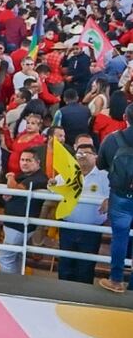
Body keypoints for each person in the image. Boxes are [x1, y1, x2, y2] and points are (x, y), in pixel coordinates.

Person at [56, 137, 108, 284]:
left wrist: (109, 200)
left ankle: (83, 300)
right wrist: (51, 184)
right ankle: (63, 296)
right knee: (65, 264)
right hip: (67, 227)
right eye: (79, 154)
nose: (82, 156)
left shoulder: (104, 176)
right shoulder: (67, 172)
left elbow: (115, 193)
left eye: (86, 153)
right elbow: (53, 187)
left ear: (95, 156)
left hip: (91, 230)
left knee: (86, 267)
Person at [96, 105, 133, 293]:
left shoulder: (112, 139)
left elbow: (101, 164)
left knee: (120, 237)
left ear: (125, 117)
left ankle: (116, 280)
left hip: (120, 196)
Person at [0, 147, 49, 274]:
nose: (24, 163)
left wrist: (10, 177)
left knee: (5, 258)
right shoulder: (24, 175)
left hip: (19, 225)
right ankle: (16, 285)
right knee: (17, 257)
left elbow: (16, 189)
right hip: (16, 223)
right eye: (22, 160)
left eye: (28, 160)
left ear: (37, 163)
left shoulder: (39, 177)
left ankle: (8, 288)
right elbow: (11, 193)